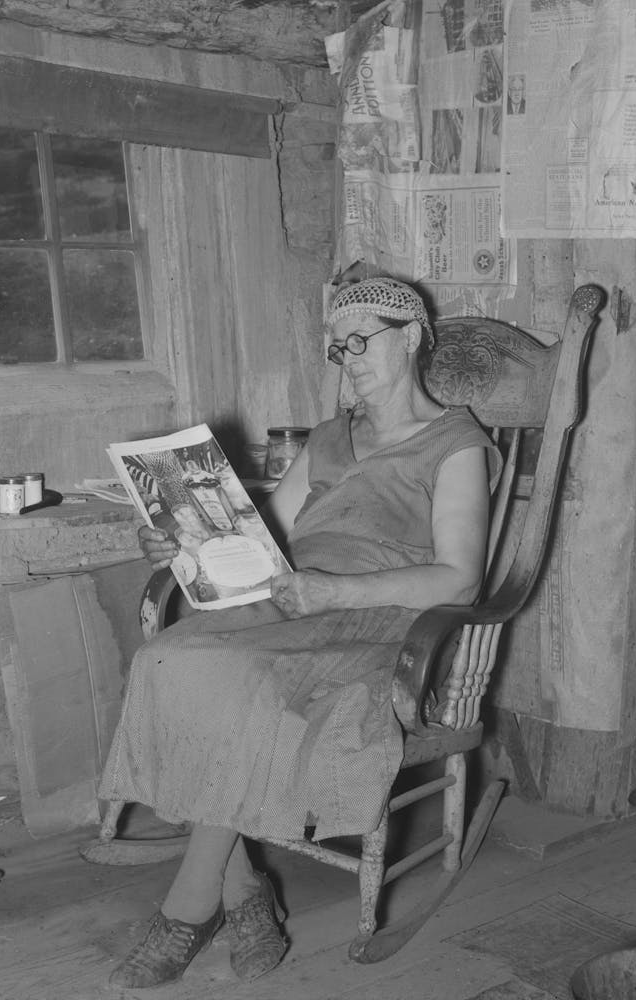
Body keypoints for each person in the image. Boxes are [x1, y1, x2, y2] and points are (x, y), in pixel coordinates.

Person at [99, 276, 502, 989]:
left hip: (379, 617)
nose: (348, 360)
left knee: (244, 682)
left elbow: (459, 580)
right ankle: (245, 892)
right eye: (338, 348)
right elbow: (266, 537)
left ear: (410, 338)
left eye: (362, 342)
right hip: (293, 597)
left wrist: (339, 590)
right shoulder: (329, 438)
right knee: (168, 657)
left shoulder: (454, 442)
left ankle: (189, 910)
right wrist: (178, 541)